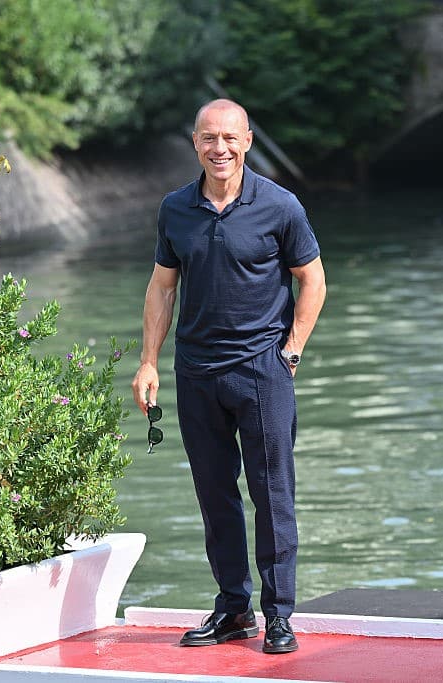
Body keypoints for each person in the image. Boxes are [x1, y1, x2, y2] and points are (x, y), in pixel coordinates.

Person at [131, 98, 326, 655]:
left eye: (230, 138)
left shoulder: (280, 206)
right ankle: (234, 609)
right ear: (195, 142)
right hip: (196, 372)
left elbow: (312, 280)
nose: (220, 148)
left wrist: (291, 352)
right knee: (215, 496)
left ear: (247, 141)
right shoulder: (176, 208)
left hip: (263, 369)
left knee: (272, 495)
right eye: (209, 138)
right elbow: (162, 286)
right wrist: (149, 361)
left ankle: (279, 615)